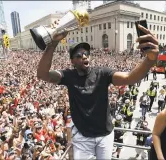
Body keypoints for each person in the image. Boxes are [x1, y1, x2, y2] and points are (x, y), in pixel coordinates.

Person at [37, 23, 159, 159]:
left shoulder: (102, 73)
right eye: (78, 55)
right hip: (83, 137)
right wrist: (53, 43)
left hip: (104, 136)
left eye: (86, 53)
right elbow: (43, 74)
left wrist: (150, 59)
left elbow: (129, 78)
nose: (84, 56)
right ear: (72, 61)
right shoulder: (69, 76)